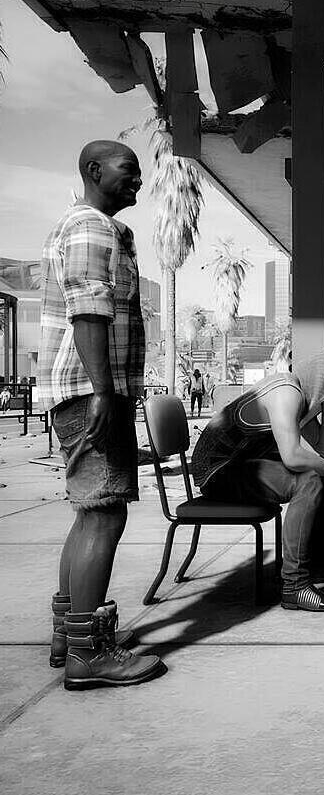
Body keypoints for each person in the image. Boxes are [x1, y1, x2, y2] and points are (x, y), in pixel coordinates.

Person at [38, 140, 164, 690]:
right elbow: (88, 310)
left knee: (89, 511)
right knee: (104, 514)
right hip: (92, 392)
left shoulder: (95, 227)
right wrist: (104, 392)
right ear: (94, 170)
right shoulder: (91, 226)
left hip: (82, 391)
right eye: (128, 169)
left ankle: (70, 633)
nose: (138, 179)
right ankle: (88, 654)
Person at [191, 348, 324, 612]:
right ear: (323, 380)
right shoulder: (286, 393)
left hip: (241, 465)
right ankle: (295, 585)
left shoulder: (302, 399)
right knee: (310, 481)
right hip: (217, 471)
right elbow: (292, 457)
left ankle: (318, 562)